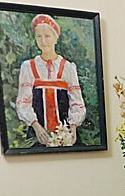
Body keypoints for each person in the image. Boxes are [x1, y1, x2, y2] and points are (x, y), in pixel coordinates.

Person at [16, 14, 86, 146]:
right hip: (38, 135)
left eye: (47, 36)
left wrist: (73, 127)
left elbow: (76, 101)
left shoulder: (67, 67)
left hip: (65, 135)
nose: (43, 41)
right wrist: (36, 127)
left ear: (55, 38)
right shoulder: (29, 67)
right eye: (39, 36)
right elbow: (23, 102)